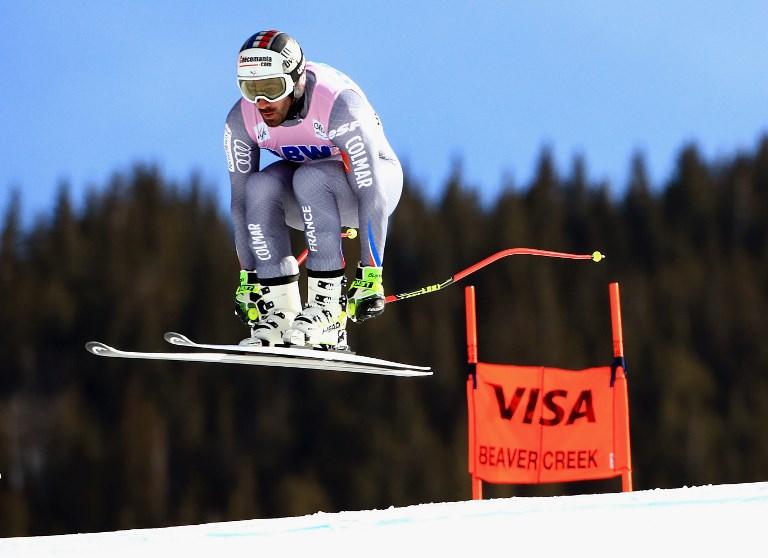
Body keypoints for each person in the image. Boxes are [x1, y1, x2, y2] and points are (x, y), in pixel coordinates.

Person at [224, 30, 402, 349]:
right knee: (258, 187)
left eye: (271, 88)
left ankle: (328, 313)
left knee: (311, 178)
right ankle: (279, 312)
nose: (261, 102)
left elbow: (370, 189)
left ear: (296, 81)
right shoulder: (242, 119)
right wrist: (247, 275)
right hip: (307, 196)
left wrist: (371, 273)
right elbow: (240, 202)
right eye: (250, 89)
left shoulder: (338, 105)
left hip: (374, 185)